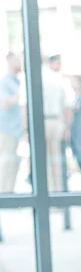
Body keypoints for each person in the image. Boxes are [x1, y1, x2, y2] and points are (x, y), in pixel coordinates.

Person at [42, 53, 70, 191]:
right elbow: (67, 105)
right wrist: (66, 127)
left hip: (42, 121)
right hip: (56, 121)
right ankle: (57, 192)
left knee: (44, 161)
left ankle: (47, 192)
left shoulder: (36, 78)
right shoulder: (59, 79)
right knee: (56, 159)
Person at [0, 51, 22, 194]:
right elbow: (5, 102)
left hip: (17, 130)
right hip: (7, 129)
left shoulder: (17, 81)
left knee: (14, 162)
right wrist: (19, 94)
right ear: (9, 61)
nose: (20, 62)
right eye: (17, 60)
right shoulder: (5, 82)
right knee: (6, 161)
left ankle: (9, 191)